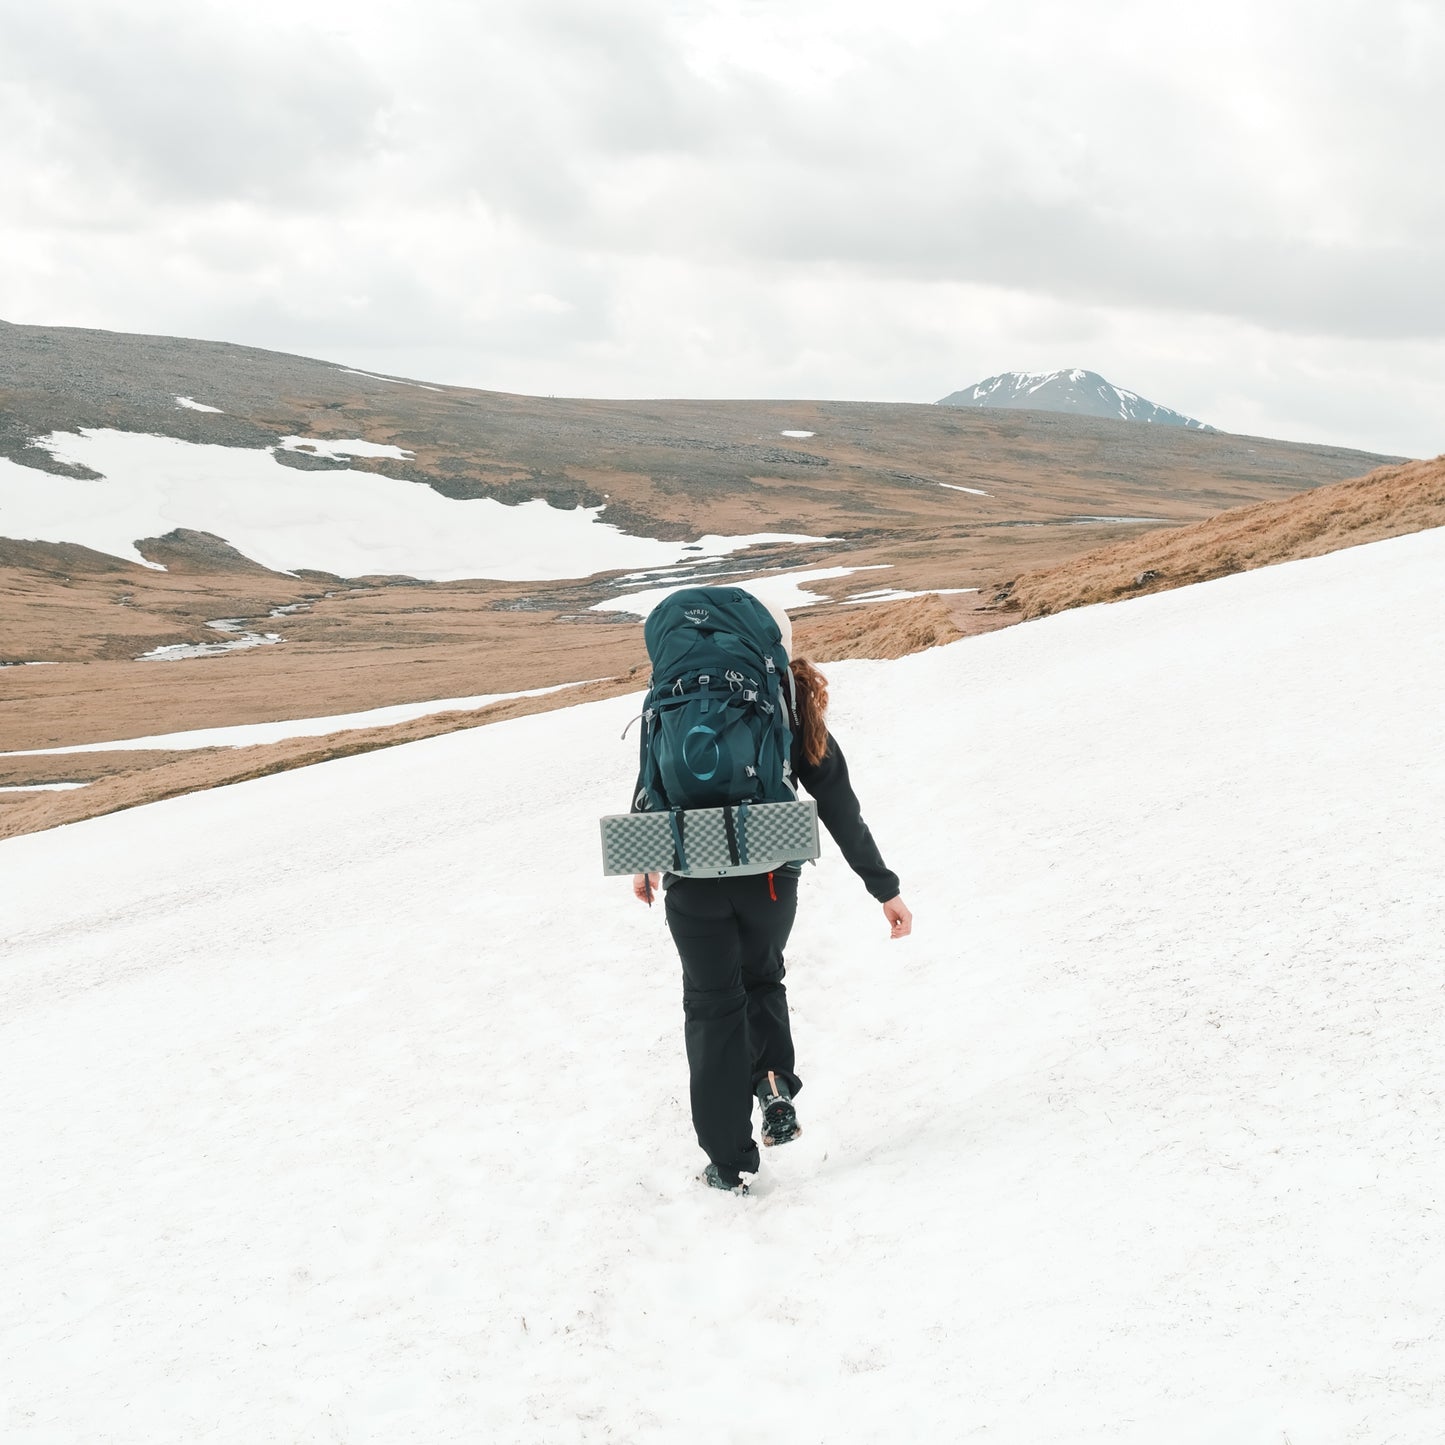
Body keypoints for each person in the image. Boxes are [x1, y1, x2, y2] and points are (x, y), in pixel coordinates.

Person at [631, 597, 912, 1194]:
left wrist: (643, 862)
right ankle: (775, 1083)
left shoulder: (668, 693)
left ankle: (728, 1163)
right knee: (763, 978)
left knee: (711, 1009)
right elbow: (838, 804)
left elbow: (650, 779)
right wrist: (883, 888)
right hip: (771, 874)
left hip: (692, 875)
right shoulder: (784, 697)